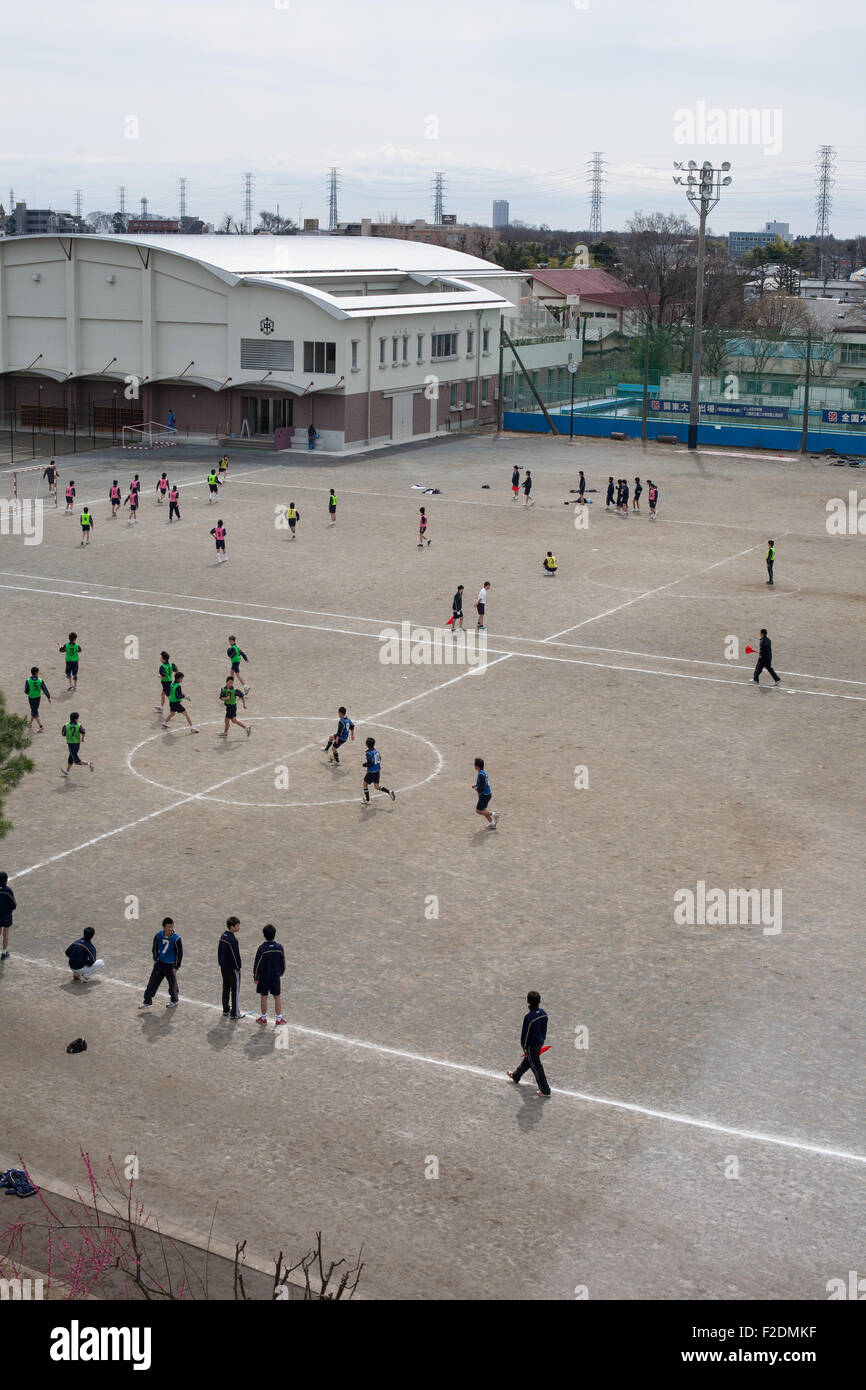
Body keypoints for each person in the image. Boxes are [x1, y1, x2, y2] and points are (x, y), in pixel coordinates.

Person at [507, 990, 551, 1097]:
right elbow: (544, 1029)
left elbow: (525, 1034)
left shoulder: (529, 1018)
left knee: (536, 1067)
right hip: (540, 1042)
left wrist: (524, 1046)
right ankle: (516, 1075)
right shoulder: (543, 1014)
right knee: (529, 1060)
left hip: (531, 1046)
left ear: (528, 1002)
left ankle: (545, 1090)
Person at [139, 917, 182, 1009]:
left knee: (172, 984)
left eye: (172, 927)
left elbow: (179, 953)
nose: (170, 929)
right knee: (152, 983)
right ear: (163, 927)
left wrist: (176, 967)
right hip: (160, 963)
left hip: (170, 965)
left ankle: (174, 1000)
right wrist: (156, 958)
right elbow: (154, 947)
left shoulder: (176, 939)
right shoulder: (159, 935)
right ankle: (147, 1001)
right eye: (168, 927)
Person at [253, 924, 287, 1026]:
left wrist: (256, 976)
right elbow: (283, 962)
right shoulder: (279, 947)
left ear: (264, 935)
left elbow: (257, 964)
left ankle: (263, 1018)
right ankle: (279, 1019)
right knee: (277, 997)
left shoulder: (262, 949)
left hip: (264, 977)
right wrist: (281, 972)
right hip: (275, 976)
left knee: (264, 997)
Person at [218, 916, 244, 1018]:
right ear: (232, 927)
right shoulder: (232, 940)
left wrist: (220, 963)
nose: (239, 927)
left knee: (225, 988)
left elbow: (219, 952)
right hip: (232, 969)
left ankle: (225, 1009)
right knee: (235, 990)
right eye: (237, 925)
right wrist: (238, 968)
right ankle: (235, 1013)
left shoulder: (223, 936)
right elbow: (235, 955)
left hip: (223, 967)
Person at [362, 736, 395, 804]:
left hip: (371, 772)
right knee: (376, 786)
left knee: (365, 785)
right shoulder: (376, 751)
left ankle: (367, 800)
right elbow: (380, 758)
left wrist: (365, 764)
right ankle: (389, 791)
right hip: (377, 771)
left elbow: (370, 763)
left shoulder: (368, 753)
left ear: (367, 745)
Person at [60, 712, 93, 777]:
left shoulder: (66, 725)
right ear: (76, 719)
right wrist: (82, 739)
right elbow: (83, 732)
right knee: (70, 759)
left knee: (76, 761)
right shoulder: (79, 725)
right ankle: (66, 772)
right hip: (77, 744)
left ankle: (89, 764)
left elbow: (63, 734)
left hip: (71, 744)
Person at [473, 757, 498, 828]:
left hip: (484, 795)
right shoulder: (482, 773)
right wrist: (476, 785)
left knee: (478, 810)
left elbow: (484, 785)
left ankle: (494, 814)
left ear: (477, 766)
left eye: (474, 764)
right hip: (487, 795)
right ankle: (492, 823)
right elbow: (483, 783)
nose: (474, 766)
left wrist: (477, 788)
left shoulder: (481, 775)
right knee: (483, 809)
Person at [25, 666, 51, 732]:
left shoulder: (28, 680)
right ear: (37, 673)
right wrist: (48, 697)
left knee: (35, 711)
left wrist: (30, 693)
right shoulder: (40, 680)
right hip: (38, 697)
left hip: (31, 698)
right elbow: (44, 689)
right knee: (34, 710)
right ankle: (30, 724)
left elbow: (26, 690)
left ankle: (41, 726)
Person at [0, 872, 16, 960]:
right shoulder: (8, 891)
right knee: (5, 934)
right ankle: (4, 952)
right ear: (6, 880)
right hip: (6, 916)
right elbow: (14, 905)